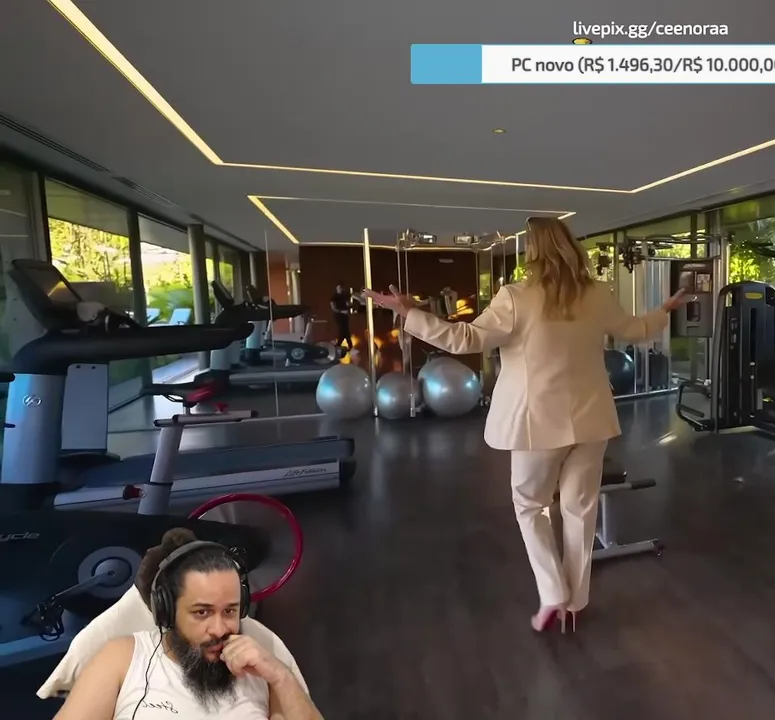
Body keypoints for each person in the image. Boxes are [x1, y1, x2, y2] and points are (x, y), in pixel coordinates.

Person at [363, 217, 690, 634]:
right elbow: (635, 330)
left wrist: (410, 313)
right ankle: (575, 602)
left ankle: (553, 593)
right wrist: (664, 310)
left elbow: (465, 339)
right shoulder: (595, 294)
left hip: (538, 424)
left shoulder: (517, 297)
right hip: (592, 420)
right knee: (580, 509)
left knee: (531, 506)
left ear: (532, 252)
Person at [53, 528, 322, 720]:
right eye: (202, 612)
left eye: (229, 611)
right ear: (167, 612)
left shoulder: (264, 667)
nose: (220, 629)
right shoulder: (122, 658)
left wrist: (280, 676)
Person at [329, 282, 355, 352]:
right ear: (337, 288)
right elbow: (334, 309)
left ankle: (348, 346)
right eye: (339, 288)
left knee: (346, 331)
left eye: (341, 288)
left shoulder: (344, 296)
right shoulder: (334, 297)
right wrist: (342, 311)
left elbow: (349, 305)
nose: (341, 289)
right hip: (338, 316)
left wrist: (349, 305)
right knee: (342, 330)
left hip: (345, 316)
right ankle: (341, 345)